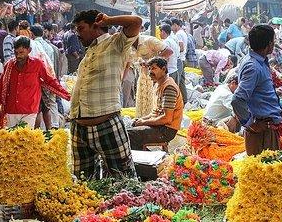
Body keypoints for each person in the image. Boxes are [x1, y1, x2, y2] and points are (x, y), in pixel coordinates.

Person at [70, 10, 142, 179]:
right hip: (79, 128)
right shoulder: (89, 51)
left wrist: (108, 20)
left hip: (107, 125)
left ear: (96, 26)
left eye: (81, 29)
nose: (78, 35)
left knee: (123, 180)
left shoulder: (115, 43)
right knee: (84, 183)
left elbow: (136, 22)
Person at [0, 36, 70, 129]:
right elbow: (0, 87)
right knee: (11, 140)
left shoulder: (37, 64)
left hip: (29, 110)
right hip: (11, 110)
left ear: (29, 50)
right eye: (16, 53)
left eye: (21, 52)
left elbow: (50, 81)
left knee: (26, 139)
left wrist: (66, 95)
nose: (18, 56)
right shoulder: (9, 66)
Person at [231, 24, 282, 155]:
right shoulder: (253, 66)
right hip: (261, 132)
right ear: (269, 44)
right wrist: (251, 124)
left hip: (266, 129)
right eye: (273, 41)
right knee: (264, 172)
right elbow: (237, 99)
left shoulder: (258, 61)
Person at [127, 57, 183, 150]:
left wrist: (144, 122)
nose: (150, 72)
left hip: (166, 130)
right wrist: (141, 120)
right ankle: (146, 158)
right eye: (149, 68)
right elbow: (155, 112)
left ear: (164, 69)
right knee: (127, 129)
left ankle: (148, 160)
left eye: (153, 68)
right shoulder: (158, 84)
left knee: (129, 135)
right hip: (159, 126)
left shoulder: (169, 87)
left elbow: (167, 118)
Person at [30, 24, 59, 130]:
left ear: (31, 34)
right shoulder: (49, 46)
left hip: (39, 80)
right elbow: (52, 63)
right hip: (49, 78)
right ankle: (54, 126)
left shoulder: (32, 45)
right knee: (50, 103)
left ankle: (39, 131)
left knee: (38, 107)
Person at [171, 18, 188, 103]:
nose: (171, 28)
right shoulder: (183, 33)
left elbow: (181, 48)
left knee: (176, 83)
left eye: (172, 26)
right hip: (182, 59)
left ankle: (176, 103)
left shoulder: (178, 34)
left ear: (175, 25)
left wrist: (174, 52)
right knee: (181, 82)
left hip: (179, 60)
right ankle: (185, 101)